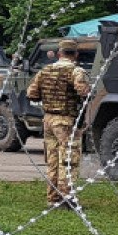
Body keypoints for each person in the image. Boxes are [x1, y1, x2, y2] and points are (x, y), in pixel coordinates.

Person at [26, 39, 91, 208]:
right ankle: (66, 196)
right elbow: (83, 92)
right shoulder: (76, 71)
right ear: (75, 55)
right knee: (69, 159)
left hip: (48, 119)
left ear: (59, 53)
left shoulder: (45, 71)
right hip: (66, 120)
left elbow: (31, 93)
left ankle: (52, 197)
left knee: (53, 159)